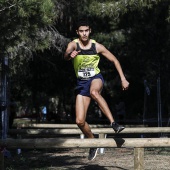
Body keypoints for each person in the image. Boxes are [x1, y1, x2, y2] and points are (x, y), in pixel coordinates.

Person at [64, 19, 129, 161]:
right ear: (77, 32)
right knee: (80, 121)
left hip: (95, 78)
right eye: (81, 31)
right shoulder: (73, 44)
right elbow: (66, 54)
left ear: (90, 31)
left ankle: (114, 123)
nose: (84, 33)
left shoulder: (97, 46)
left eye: (86, 30)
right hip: (81, 83)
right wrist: (70, 55)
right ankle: (92, 142)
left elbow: (115, 60)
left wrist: (123, 78)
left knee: (94, 92)